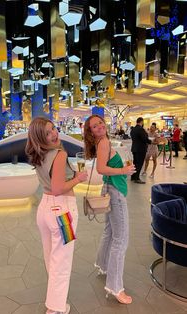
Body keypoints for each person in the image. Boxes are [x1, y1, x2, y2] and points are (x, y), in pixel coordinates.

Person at [25, 117, 87, 314]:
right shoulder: (59, 154)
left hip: (45, 210)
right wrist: (78, 178)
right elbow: (59, 188)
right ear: (40, 138)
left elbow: (52, 185)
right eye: (48, 133)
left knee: (51, 257)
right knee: (62, 259)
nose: (54, 134)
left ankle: (55, 301)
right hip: (63, 212)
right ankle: (56, 308)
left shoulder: (39, 154)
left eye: (53, 129)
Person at [83, 114, 136, 305]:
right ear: (90, 132)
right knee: (120, 240)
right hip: (114, 193)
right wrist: (123, 171)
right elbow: (101, 169)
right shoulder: (103, 142)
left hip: (109, 190)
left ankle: (103, 266)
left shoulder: (101, 142)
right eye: (94, 127)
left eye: (100, 123)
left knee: (110, 232)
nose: (99, 127)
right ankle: (115, 287)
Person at [130, 117, 152, 184]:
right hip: (140, 149)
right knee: (139, 164)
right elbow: (145, 138)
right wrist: (150, 141)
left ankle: (133, 177)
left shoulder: (133, 129)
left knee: (135, 163)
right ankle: (137, 178)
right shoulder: (141, 129)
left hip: (134, 148)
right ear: (141, 122)